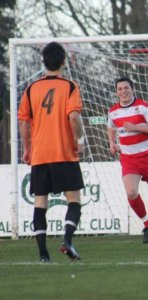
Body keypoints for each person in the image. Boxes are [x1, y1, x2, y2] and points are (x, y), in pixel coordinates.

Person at [18, 42, 84, 262]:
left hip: (40, 155)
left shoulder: (31, 88)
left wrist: (27, 149)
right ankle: (67, 240)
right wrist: (79, 140)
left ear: (43, 62)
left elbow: (24, 121)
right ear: (64, 61)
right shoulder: (70, 86)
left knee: (40, 201)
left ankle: (43, 254)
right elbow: (74, 117)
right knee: (73, 199)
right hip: (63, 151)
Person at [107, 77, 148, 248]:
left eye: (126, 88)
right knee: (131, 192)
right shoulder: (113, 111)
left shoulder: (145, 107)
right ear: (117, 92)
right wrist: (112, 143)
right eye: (120, 89)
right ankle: (147, 224)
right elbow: (111, 126)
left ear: (132, 89)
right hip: (129, 158)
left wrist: (137, 127)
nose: (123, 91)